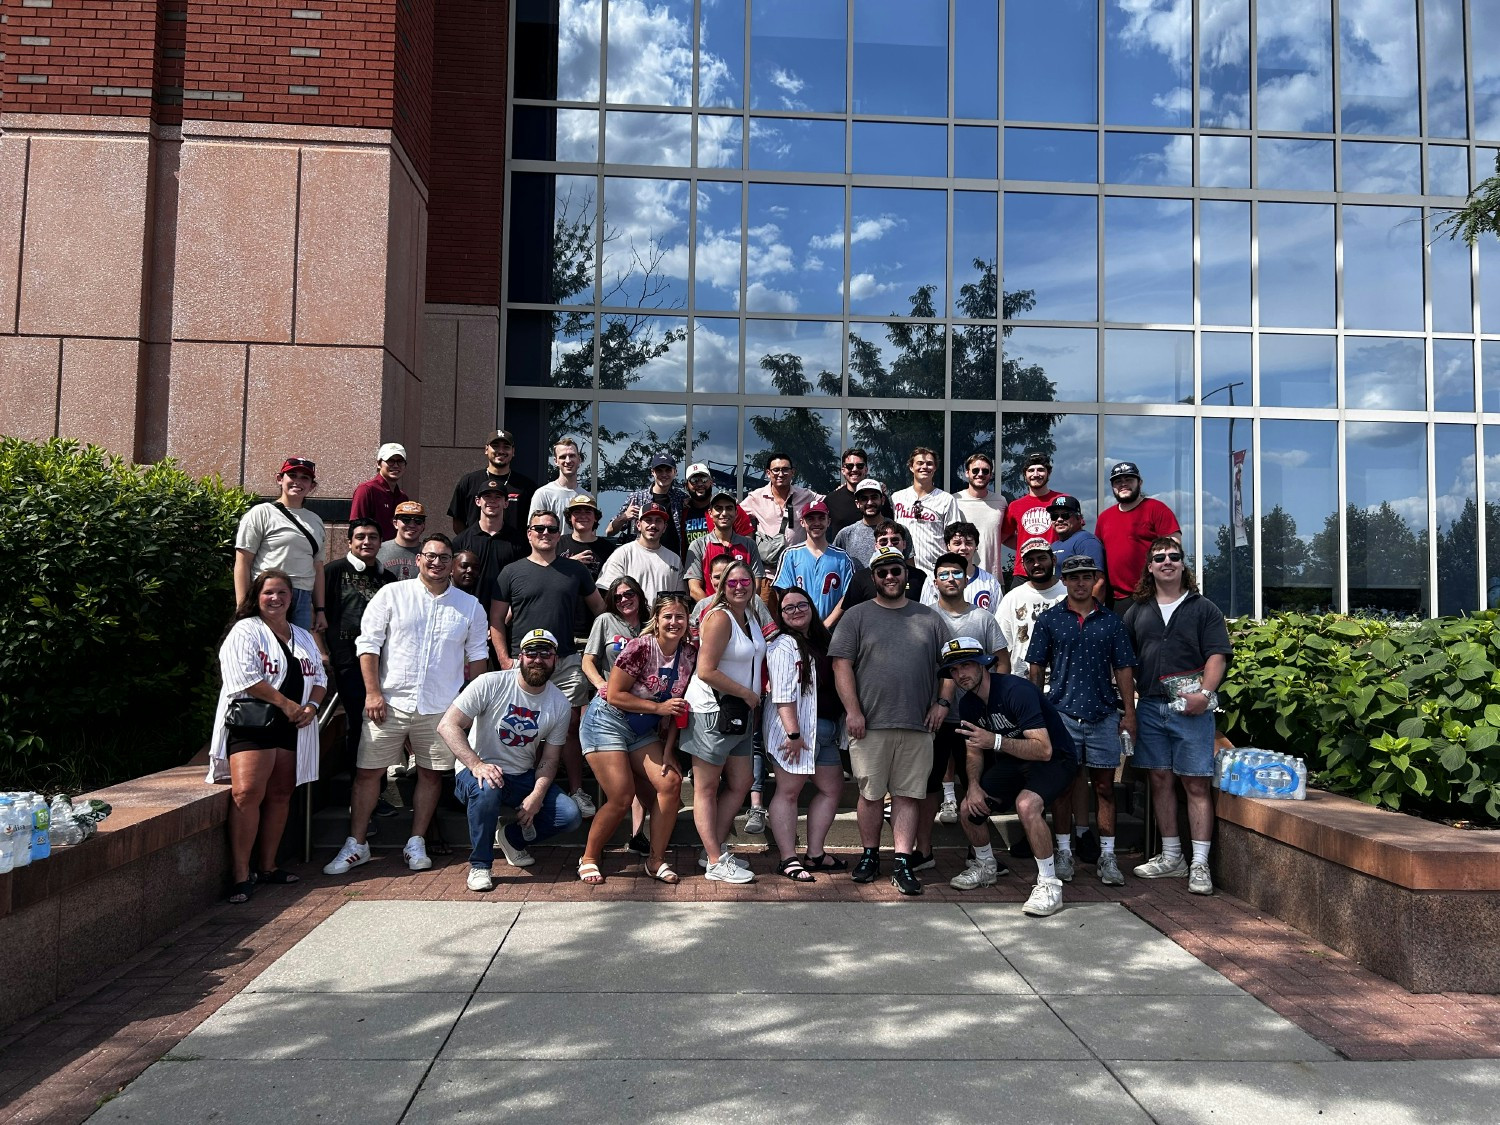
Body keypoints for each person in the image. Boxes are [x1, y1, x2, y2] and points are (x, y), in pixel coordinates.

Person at [323, 533, 489, 877]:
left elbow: (477, 658)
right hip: (389, 702)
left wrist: (467, 707)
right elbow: (367, 646)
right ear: (418, 559)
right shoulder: (391, 595)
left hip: (441, 707)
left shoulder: (469, 606)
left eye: (444, 557)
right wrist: (372, 693)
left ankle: (416, 841)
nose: (436, 562)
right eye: (430, 556)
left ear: (452, 563)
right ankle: (357, 844)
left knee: (430, 775)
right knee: (368, 772)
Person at [829, 545, 950, 895]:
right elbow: (841, 666)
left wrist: (943, 702)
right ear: (873, 577)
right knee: (869, 794)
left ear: (906, 574)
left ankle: (901, 862)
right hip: (869, 723)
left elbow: (950, 666)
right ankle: (869, 856)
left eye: (896, 570)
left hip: (918, 723)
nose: (890, 577)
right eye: (882, 572)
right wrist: (852, 710)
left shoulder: (928, 617)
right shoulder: (856, 616)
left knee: (908, 795)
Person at [208, 569, 327, 903]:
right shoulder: (245, 631)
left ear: (292, 598)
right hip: (253, 723)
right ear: (256, 597)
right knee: (247, 794)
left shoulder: (303, 636)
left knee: (280, 794)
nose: (275, 599)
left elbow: (319, 677)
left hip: (293, 726)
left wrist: (313, 707)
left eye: (282, 593)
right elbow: (244, 677)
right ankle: (241, 876)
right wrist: (288, 704)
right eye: (268, 593)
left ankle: (269, 866)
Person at [1123, 537, 1232, 896]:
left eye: (1174, 557)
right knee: (1159, 779)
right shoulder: (1137, 610)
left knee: (1196, 783)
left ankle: (1199, 863)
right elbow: (1125, 660)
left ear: (1183, 564)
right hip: (1152, 707)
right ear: (1150, 567)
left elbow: (1217, 654)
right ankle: (1172, 858)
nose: (1167, 562)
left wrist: (1205, 694)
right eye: (1159, 558)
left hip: (1193, 709)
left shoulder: (1204, 609)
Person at [437, 629, 584, 891]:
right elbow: (448, 725)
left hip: (522, 775)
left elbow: (550, 758)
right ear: (519, 657)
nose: (538, 659)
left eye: (545, 653)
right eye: (531, 652)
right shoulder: (490, 683)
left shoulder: (559, 703)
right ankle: (480, 865)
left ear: (556, 660)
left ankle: (512, 837)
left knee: (570, 814)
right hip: (477, 771)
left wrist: (537, 795)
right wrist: (476, 764)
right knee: (487, 787)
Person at [942, 636, 1079, 917]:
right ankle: (985, 866)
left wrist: (995, 741)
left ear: (983, 665)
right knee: (969, 806)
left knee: (1027, 805)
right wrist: (974, 786)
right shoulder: (968, 703)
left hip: (1055, 759)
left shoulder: (1017, 691)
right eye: (954, 670)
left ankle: (1049, 884)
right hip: (1015, 759)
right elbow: (974, 751)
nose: (960, 675)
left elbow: (1043, 749)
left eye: (966, 665)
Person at [1026, 554, 1138, 888]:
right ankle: (1063, 852)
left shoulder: (1111, 622)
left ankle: (1107, 855)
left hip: (1103, 714)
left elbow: (1124, 669)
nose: (1080, 582)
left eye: (1086, 576)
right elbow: (1035, 667)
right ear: (1064, 580)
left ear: (1095, 580)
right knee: (1062, 788)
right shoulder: (1050, 620)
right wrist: (1037, 714)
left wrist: (1129, 713)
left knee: (1105, 787)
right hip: (1061, 713)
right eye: (1073, 577)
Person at [491, 509, 607, 817]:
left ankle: (576, 790)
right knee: (523, 727)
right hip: (523, 661)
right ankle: (525, 789)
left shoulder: (575, 571)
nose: (545, 533)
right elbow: (496, 622)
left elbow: (601, 612)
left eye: (551, 529)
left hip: (567, 661)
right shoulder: (511, 572)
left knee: (568, 727)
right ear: (529, 533)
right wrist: (504, 659)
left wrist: (597, 651)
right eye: (539, 528)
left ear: (560, 533)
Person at [576, 591, 697, 884]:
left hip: (643, 730)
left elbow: (677, 710)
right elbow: (615, 695)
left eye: (680, 616)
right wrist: (658, 707)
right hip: (607, 721)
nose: (674, 622)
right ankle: (589, 857)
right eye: (667, 616)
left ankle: (655, 861)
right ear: (656, 620)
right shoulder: (640, 647)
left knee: (669, 782)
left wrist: (669, 751)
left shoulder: (690, 654)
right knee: (621, 795)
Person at [915, 552, 1010, 864]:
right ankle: (924, 851)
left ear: (966, 578)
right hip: (937, 717)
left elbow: (1002, 663)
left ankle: (979, 854)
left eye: (956, 573)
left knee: (975, 784)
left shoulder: (983, 618)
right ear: (935, 581)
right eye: (944, 574)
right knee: (930, 786)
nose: (951, 579)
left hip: (976, 719)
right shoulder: (924, 616)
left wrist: (994, 705)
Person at [681, 558, 767, 883]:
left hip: (740, 712)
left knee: (742, 782)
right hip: (711, 711)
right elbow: (706, 670)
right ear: (721, 586)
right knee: (705, 788)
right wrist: (746, 693)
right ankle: (716, 861)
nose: (740, 586)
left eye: (746, 581)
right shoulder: (719, 618)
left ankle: (711, 848)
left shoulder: (751, 616)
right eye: (733, 582)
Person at [763, 587, 845, 881]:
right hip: (797, 732)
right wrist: (793, 734)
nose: (796, 610)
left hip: (826, 730)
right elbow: (783, 694)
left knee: (832, 788)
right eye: (789, 608)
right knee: (788, 792)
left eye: (802, 605)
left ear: (811, 607)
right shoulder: (783, 645)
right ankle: (788, 859)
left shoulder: (822, 639)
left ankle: (815, 854)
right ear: (781, 616)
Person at [323, 518, 395, 773]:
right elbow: (318, 616)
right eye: (361, 536)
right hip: (346, 660)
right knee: (358, 721)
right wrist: (323, 652)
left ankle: (377, 790)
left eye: (373, 537)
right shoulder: (332, 571)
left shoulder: (389, 578)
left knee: (379, 724)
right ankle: (358, 786)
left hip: (382, 662)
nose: (367, 542)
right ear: (349, 541)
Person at [233, 456, 326, 631]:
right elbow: (242, 561)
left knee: (297, 654)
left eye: (304, 477)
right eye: (292, 475)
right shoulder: (260, 513)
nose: (297, 481)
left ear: (312, 486)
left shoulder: (316, 521)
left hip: (302, 598)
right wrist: (242, 606)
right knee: (266, 653)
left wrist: (320, 609)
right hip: (269, 593)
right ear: (279, 479)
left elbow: (318, 568)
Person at [1094, 461, 1182, 604]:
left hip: (1152, 595)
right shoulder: (1104, 518)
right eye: (1118, 481)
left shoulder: (1157, 509)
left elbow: (1174, 551)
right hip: (1115, 599)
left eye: (1129, 479)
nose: (1123, 484)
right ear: (1112, 486)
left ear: (1140, 482)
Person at [740, 452, 822, 578]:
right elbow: (733, 515)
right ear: (768, 473)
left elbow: (830, 502)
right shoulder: (756, 497)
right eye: (776, 470)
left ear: (792, 472)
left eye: (785, 470)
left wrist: (843, 490)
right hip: (768, 574)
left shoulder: (806, 495)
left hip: (799, 571)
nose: (780, 474)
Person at [775, 500, 854, 629]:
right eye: (810, 519)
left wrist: (826, 625)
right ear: (802, 522)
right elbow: (783, 593)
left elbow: (848, 595)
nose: (816, 523)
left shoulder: (842, 557)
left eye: (821, 518)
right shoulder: (790, 555)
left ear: (828, 521)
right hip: (798, 630)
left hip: (832, 630)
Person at [996, 538, 1067, 680]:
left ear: (1053, 560)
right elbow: (1001, 650)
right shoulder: (1012, 598)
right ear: (1023, 565)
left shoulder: (1068, 594)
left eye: (1042, 558)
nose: (1036, 564)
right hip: (1022, 684)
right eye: (1030, 560)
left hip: (1063, 684)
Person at [448, 428, 536, 536]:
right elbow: (457, 521)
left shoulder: (527, 486)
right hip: (475, 550)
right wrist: (469, 542)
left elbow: (534, 523)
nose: (501, 451)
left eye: (506, 447)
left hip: (516, 550)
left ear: (513, 452)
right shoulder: (468, 482)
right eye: (495, 446)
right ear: (486, 449)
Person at [453, 481, 524, 615]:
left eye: (498, 497)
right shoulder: (461, 541)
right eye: (487, 496)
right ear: (478, 501)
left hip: (506, 618)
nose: (492, 501)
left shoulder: (519, 542)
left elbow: (523, 581)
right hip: (467, 615)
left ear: (506, 503)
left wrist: (511, 612)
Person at [597, 501, 685, 602]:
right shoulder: (622, 554)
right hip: (628, 617)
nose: (653, 525)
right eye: (648, 520)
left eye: (658, 521)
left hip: (663, 617)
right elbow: (608, 592)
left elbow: (679, 599)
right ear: (638, 525)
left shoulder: (674, 559)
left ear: (664, 527)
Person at [683, 490, 764, 601]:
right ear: (710, 513)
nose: (724, 513)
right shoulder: (698, 545)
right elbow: (694, 589)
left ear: (736, 513)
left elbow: (756, 585)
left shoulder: (749, 545)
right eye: (719, 508)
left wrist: (741, 610)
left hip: (743, 613)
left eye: (729, 508)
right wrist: (716, 611)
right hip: (711, 613)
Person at [890, 447, 960, 573]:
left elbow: (954, 538)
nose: (925, 467)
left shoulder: (946, 499)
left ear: (935, 468)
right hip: (903, 570)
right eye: (920, 463)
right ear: (911, 467)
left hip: (935, 570)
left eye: (929, 463)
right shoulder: (897, 498)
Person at [1002, 451, 1068, 583]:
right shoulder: (1015, 506)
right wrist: (1030, 547)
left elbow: (1074, 533)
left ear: (1048, 473)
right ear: (1025, 475)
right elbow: (1005, 537)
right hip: (1023, 571)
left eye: (1040, 470)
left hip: (1056, 570)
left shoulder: (1062, 500)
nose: (1036, 474)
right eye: (1031, 470)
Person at [606, 453, 688, 556]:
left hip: (673, 562)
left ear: (675, 472)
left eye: (668, 470)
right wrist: (623, 517)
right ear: (652, 472)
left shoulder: (681, 498)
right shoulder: (636, 498)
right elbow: (609, 531)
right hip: (641, 561)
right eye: (659, 470)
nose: (664, 474)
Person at [919, 520, 1003, 611]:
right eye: (957, 543)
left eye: (968, 543)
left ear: (976, 546)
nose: (963, 548)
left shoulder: (990, 582)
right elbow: (926, 616)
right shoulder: (933, 579)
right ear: (948, 546)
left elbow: (996, 620)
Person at [842, 521, 928, 609]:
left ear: (904, 544)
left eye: (895, 540)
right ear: (876, 546)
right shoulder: (860, 578)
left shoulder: (919, 577)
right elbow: (852, 615)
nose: (890, 545)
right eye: (883, 541)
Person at [679, 461, 752, 551]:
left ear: (711, 482)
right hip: (692, 563)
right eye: (694, 481)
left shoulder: (731, 509)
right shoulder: (681, 511)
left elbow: (747, 540)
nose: (700, 484)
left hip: (724, 563)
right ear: (687, 486)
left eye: (704, 479)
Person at [1047, 496, 1108, 602]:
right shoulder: (1054, 545)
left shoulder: (1086, 541)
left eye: (1065, 515)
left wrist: (1088, 614)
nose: (1059, 519)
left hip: (1078, 611)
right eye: (1054, 516)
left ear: (1079, 518)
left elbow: (1098, 583)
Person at [954, 452, 1006, 577]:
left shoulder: (1001, 502)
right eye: (975, 470)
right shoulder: (954, 501)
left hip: (993, 577)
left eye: (985, 471)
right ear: (967, 473)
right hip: (961, 577)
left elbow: (1006, 534)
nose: (980, 474)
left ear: (991, 475)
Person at [349, 442, 410, 541]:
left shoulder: (403, 497)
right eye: (390, 461)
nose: (395, 465)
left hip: (396, 553)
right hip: (373, 553)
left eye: (400, 461)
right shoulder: (366, 490)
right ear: (378, 464)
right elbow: (357, 528)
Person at [824, 448, 891, 537]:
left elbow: (891, 529)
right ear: (843, 470)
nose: (854, 469)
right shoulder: (831, 500)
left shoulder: (879, 499)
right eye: (849, 466)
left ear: (866, 470)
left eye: (860, 466)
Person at [833, 477, 889, 568]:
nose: (870, 502)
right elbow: (835, 567)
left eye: (874, 497)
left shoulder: (898, 530)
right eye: (864, 499)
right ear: (857, 503)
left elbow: (910, 568)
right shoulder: (845, 534)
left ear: (882, 500)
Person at [531, 436, 587, 520]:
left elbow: (591, 532)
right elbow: (535, 530)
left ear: (579, 459)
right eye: (563, 457)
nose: (568, 461)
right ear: (556, 461)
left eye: (572, 456)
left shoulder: (587, 497)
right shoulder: (543, 494)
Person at [377, 500, 426, 580]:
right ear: (395, 523)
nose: (412, 525)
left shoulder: (429, 554)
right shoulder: (378, 550)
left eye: (418, 521)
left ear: (423, 526)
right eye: (406, 520)